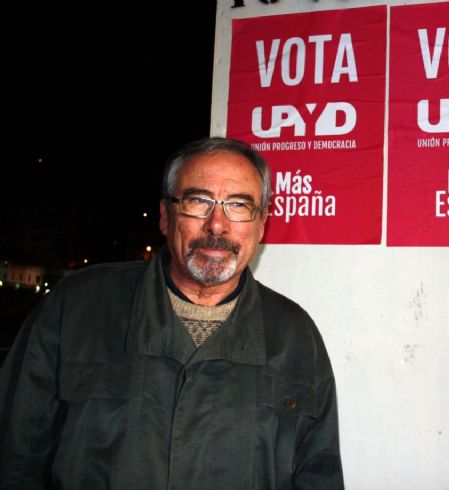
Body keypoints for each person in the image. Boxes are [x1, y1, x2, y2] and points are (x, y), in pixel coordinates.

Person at [0, 137, 344, 489]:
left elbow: (319, 474)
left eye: (238, 206)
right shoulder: (76, 308)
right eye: (198, 201)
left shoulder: (295, 335)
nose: (217, 225)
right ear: (165, 217)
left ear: (261, 226)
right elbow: (14, 457)